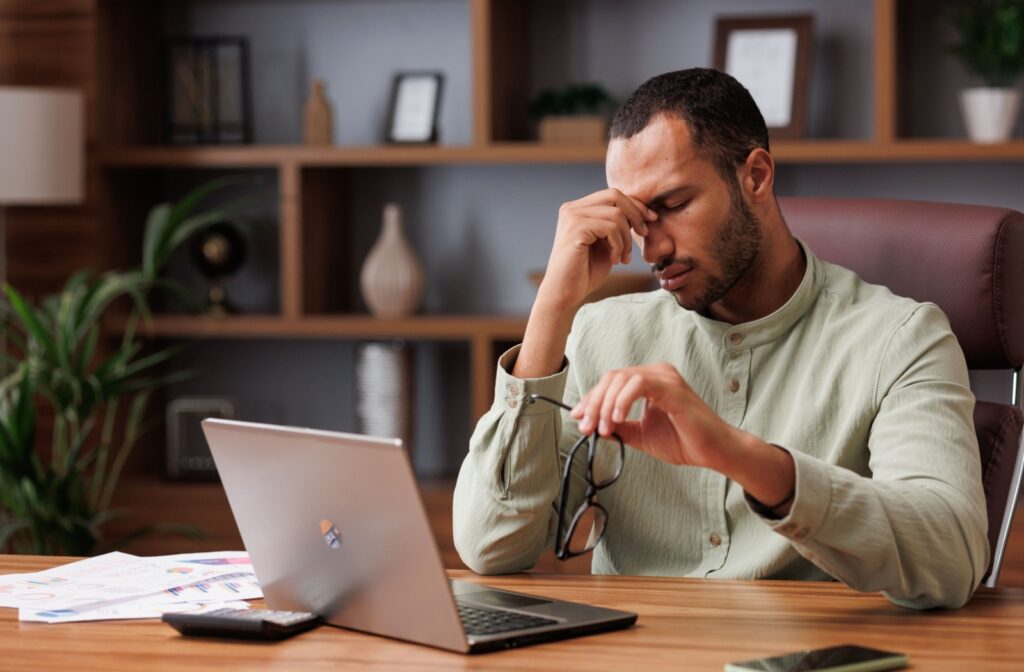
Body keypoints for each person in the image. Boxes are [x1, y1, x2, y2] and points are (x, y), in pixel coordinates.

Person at [452, 68, 989, 610]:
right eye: (637, 219)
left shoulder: (901, 338)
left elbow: (952, 558)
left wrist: (743, 457)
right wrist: (552, 308)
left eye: (673, 205)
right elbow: (491, 548)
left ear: (755, 175)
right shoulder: (602, 333)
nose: (650, 249)